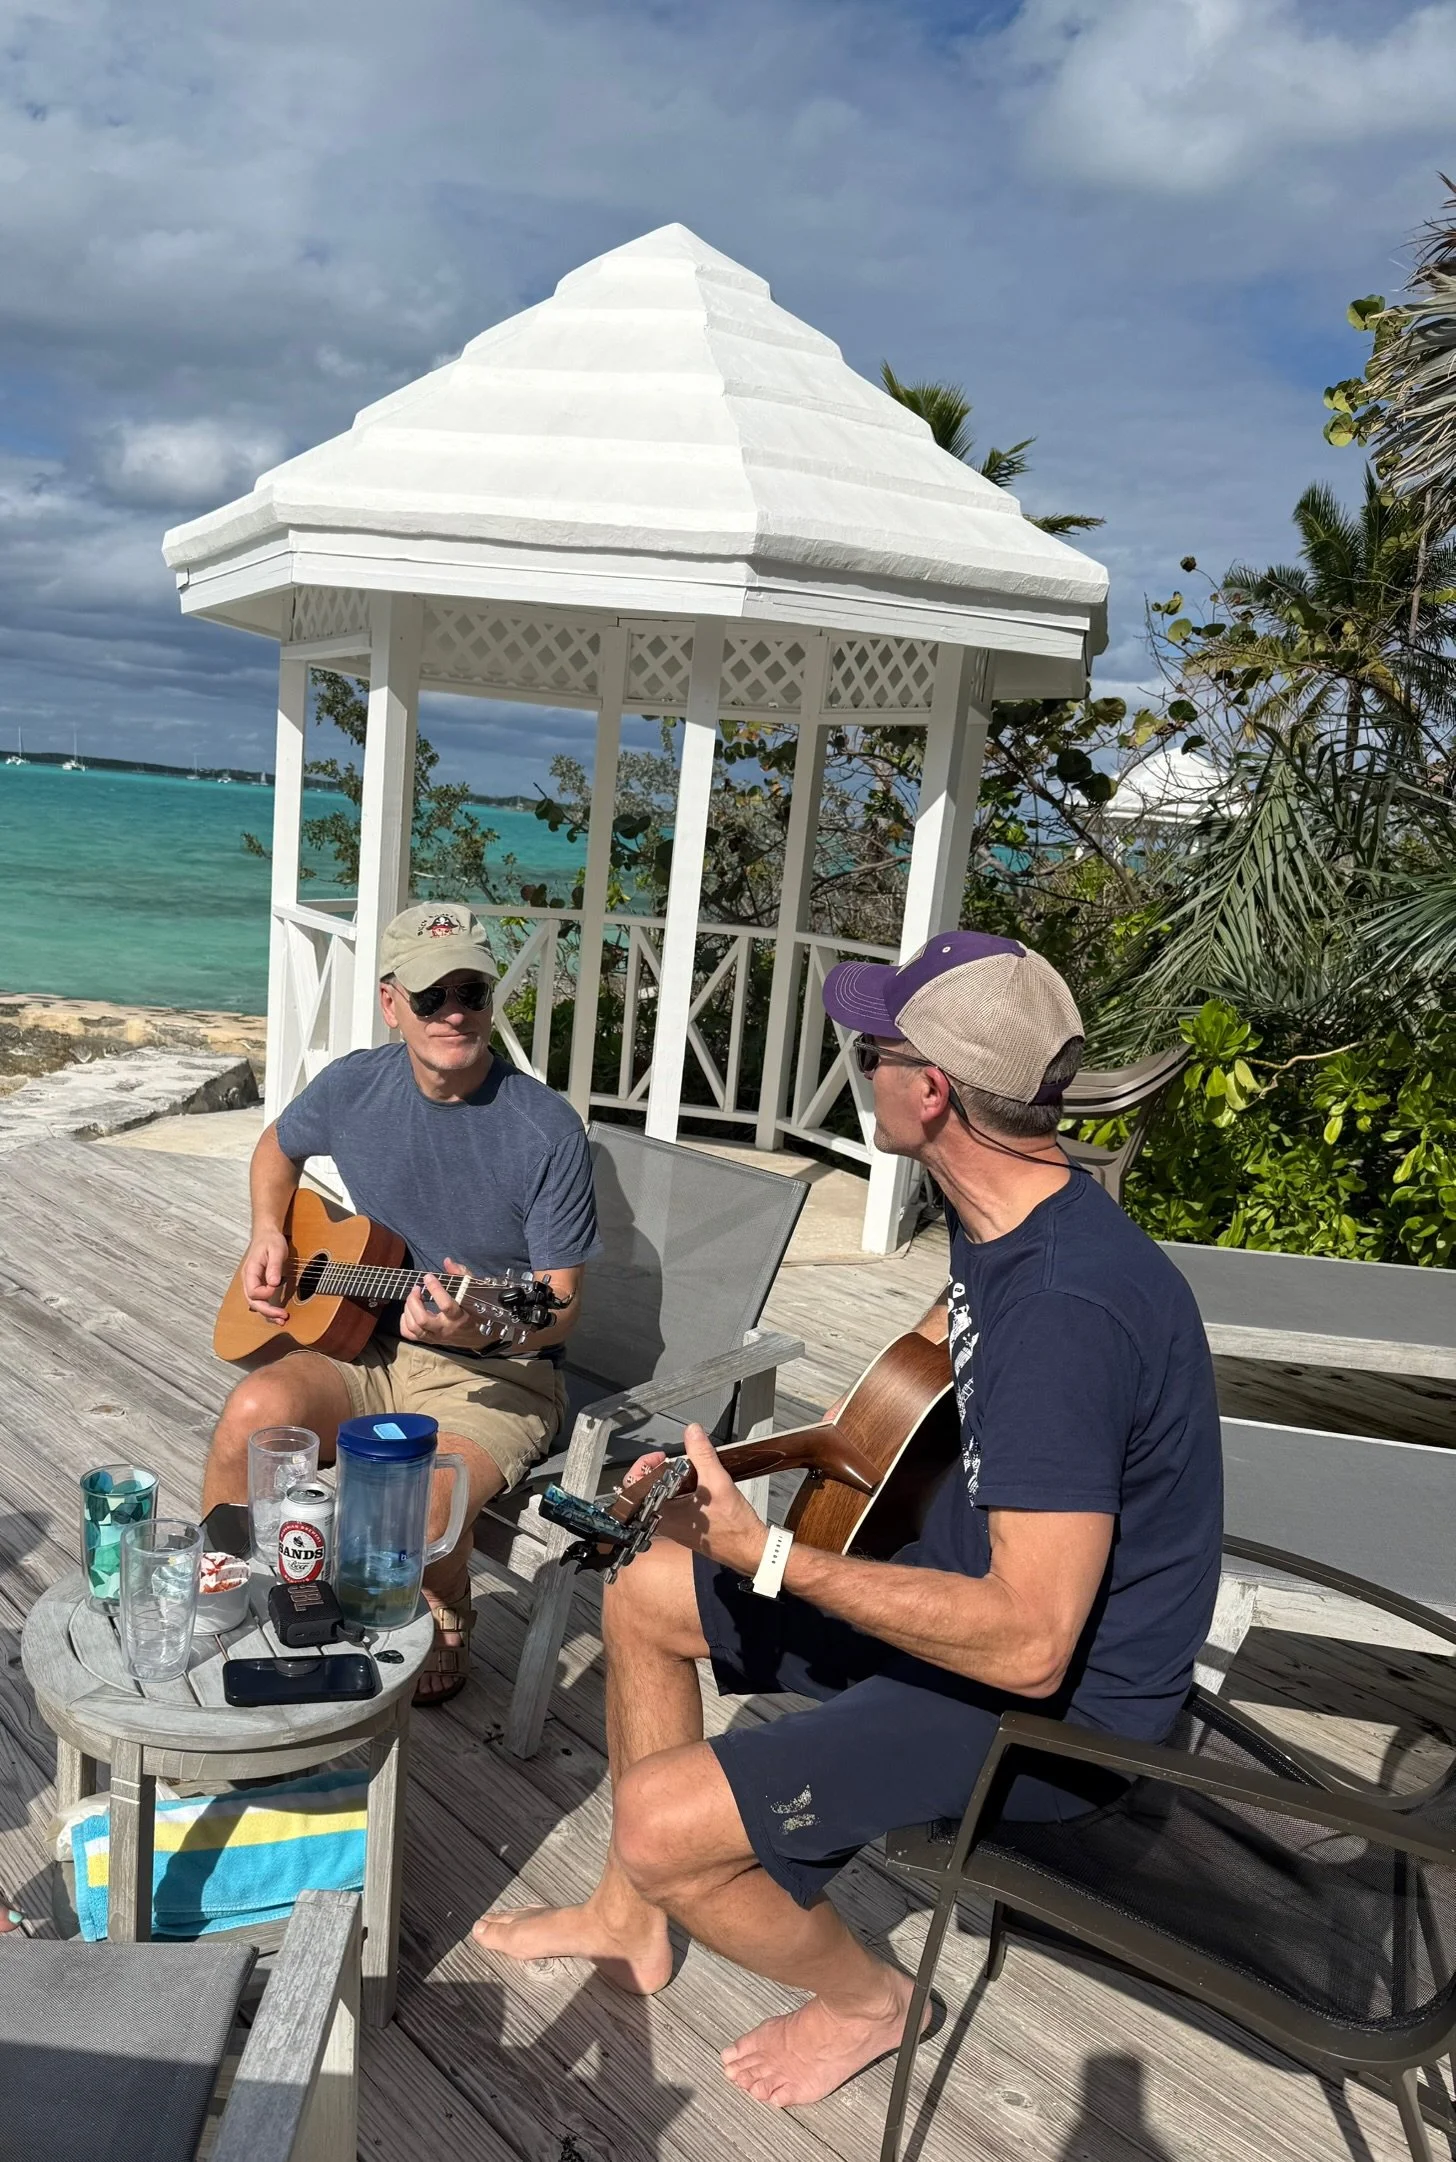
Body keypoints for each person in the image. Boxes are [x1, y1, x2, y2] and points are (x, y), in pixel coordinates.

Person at [474, 930, 1222, 2108]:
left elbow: (1029, 1640)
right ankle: (630, 1919)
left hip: (1058, 1712)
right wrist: (731, 1468)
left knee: (669, 1824)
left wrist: (773, 1553)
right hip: (963, 1600)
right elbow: (914, 1396)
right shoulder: (1013, 1219)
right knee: (645, 1586)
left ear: (928, 1091)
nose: (854, 1064)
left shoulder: (1065, 1313)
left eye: (868, 1047)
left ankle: (874, 2001)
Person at [201, 902, 600, 1704]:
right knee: (252, 1416)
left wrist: (480, 1323)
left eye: (472, 993)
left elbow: (556, 1306)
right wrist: (266, 1234)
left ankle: (443, 1591)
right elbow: (277, 1145)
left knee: (409, 1520)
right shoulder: (357, 1084)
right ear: (392, 1003)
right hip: (368, 1350)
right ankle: (227, 1606)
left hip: (498, 1376)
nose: (455, 1013)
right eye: (431, 997)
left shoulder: (546, 1130)